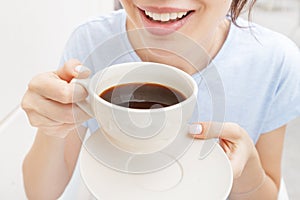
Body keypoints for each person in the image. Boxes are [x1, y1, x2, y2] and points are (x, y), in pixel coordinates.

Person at [21, 0, 300, 199]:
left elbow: (265, 193)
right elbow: (41, 193)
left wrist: (247, 169)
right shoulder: (89, 42)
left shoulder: (273, 62)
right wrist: (53, 124)